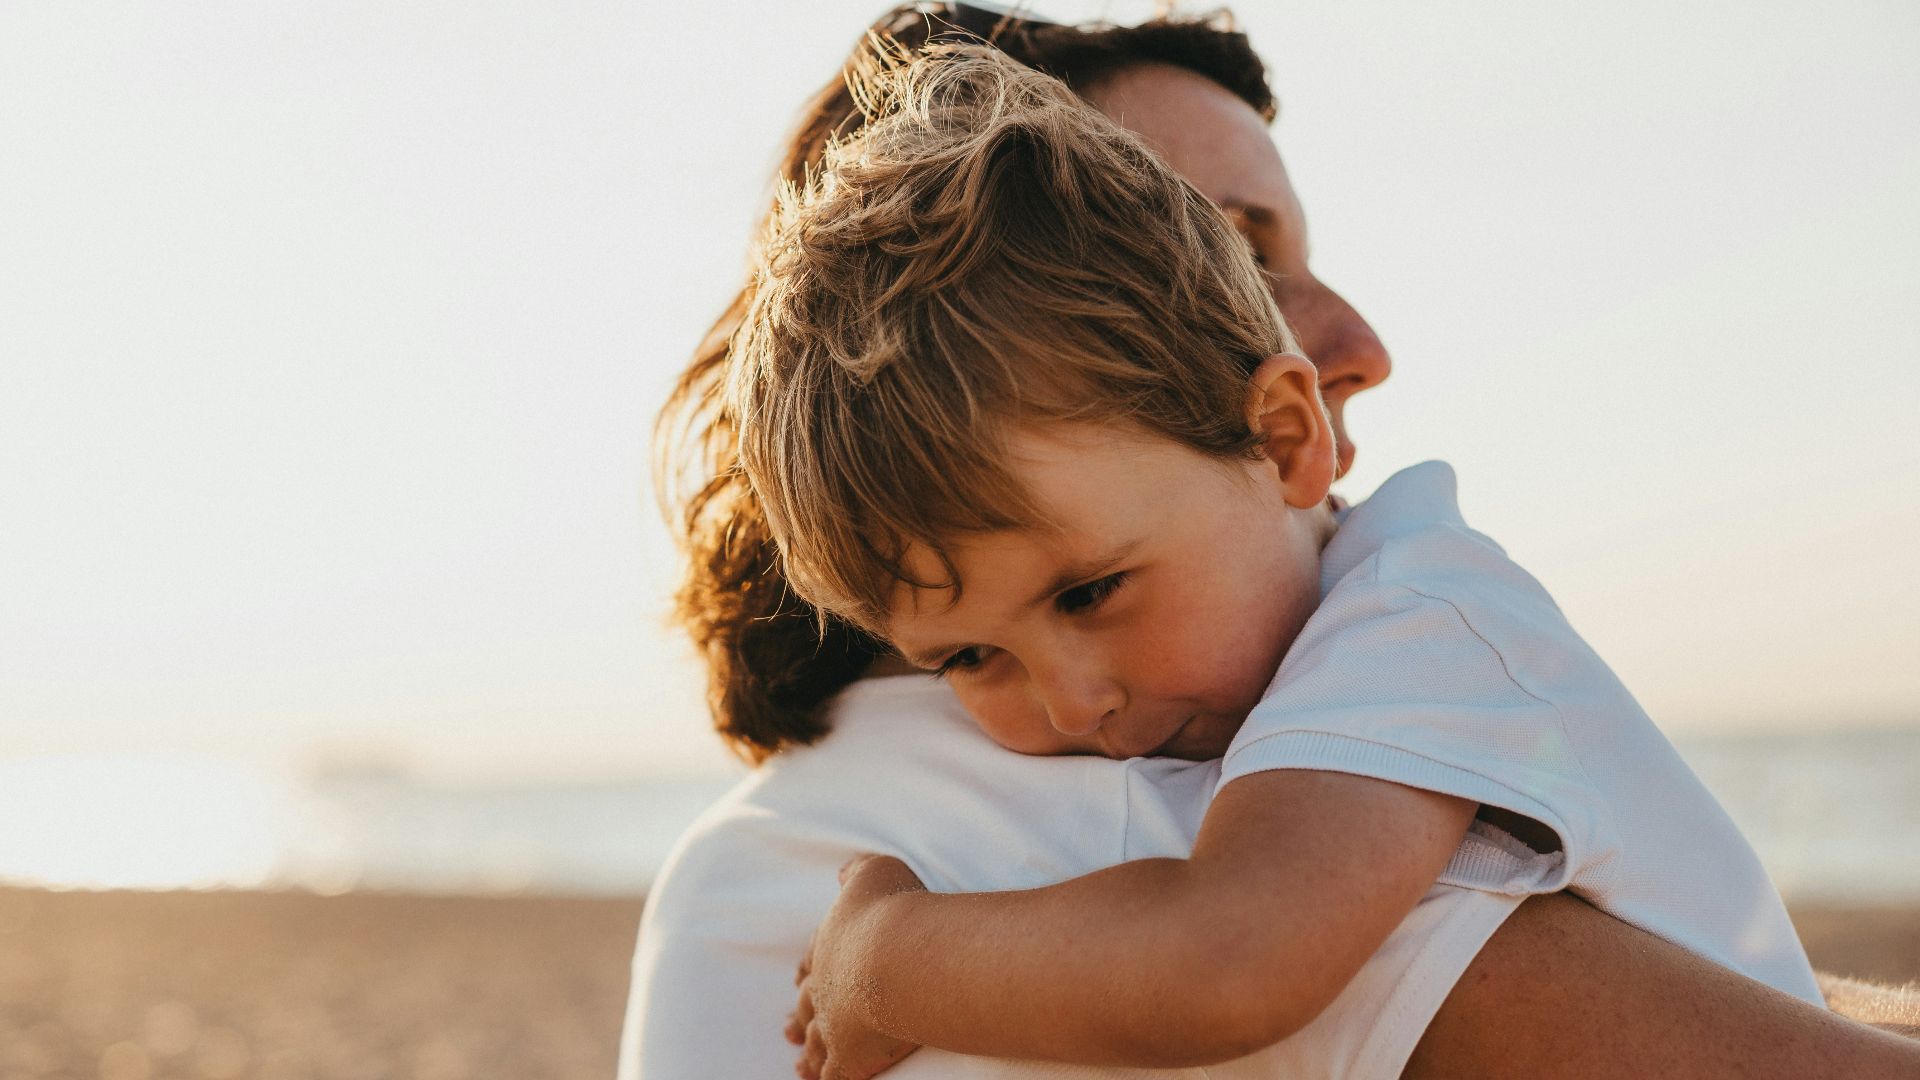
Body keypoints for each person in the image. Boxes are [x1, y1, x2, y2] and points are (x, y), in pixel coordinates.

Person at [621, 7, 1920, 1079]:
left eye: (1090, 591)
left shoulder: (1394, 626)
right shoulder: (1118, 806)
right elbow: (1233, 954)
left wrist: (891, 955)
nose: (1357, 341)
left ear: (1278, 434)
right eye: (1226, 249)